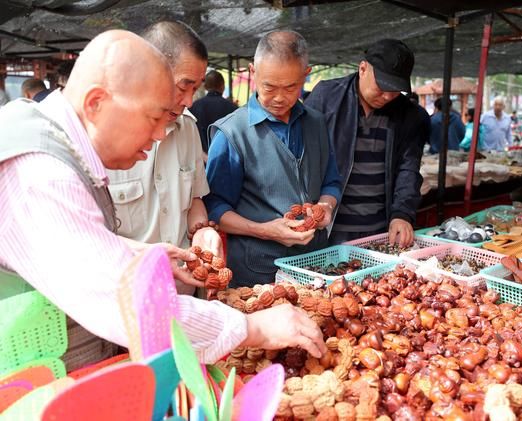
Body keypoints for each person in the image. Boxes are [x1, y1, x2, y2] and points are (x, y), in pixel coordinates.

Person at [0, 30, 326, 372]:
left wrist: (141, 255)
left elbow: (79, 244)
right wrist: (253, 327)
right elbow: (125, 305)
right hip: (30, 377)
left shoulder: (49, 136)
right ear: (96, 103)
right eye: (154, 118)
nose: (159, 134)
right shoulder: (41, 173)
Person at [205, 30, 341, 286]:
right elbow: (216, 208)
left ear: (306, 74)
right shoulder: (232, 132)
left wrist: (326, 207)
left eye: (291, 87)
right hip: (257, 273)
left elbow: (331, 182)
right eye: (269, 86)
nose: (279, 98)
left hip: (315, 265)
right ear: (253, 72)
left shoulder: (316, 123)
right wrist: (265, 231)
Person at [107, 21, 223, 293]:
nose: (189, 101)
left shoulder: (188, 128)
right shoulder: (105, 140)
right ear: (146, 70)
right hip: (126, 297)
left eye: (195, 89)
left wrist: (202, 231)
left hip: (182, 290)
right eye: (183, 86)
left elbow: (194, 197)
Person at [305, 39, 430, 247]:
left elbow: (408, 169)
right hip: (329, 227)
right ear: (363, 68)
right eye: (382, 87)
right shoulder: (326, 98)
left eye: (396, 89)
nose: (388, 96)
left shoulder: (409, 115)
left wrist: (402, 213)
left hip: (379, 231)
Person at [190, 70, 238, 154]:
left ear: (205, 86)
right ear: (222, 86)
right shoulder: (233, 108)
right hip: (225, 159)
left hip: (199, 158)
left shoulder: (193, 107)